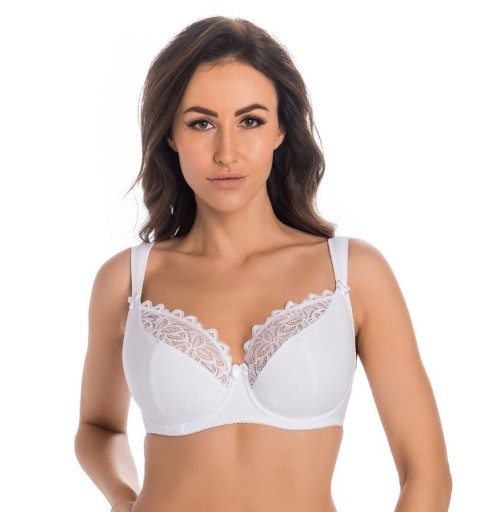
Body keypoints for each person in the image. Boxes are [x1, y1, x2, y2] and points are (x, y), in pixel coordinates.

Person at [74, 16, 452, 512]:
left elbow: (426, 475)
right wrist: (124, 498)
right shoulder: (127, 280)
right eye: (201, 123)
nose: (226, 152)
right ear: (170, 134)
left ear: (280, 130)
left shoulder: (351, 273)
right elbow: (98, 427)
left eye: (249, 121)